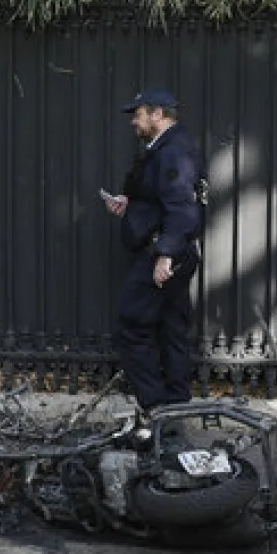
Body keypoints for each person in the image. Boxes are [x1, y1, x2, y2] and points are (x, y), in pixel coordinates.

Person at [102, 88, 207, 415]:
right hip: (171, 248)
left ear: (158, 114)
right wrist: (132, 206)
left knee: (131, 327)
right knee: (171, 329)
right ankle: (175, 411)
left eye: (139, 113)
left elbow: (182, 207)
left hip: (162, 253)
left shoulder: (172, 151)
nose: (134, 121)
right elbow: (162, 198)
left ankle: (156, 408)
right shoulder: (168, 147)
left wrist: (165, 255)